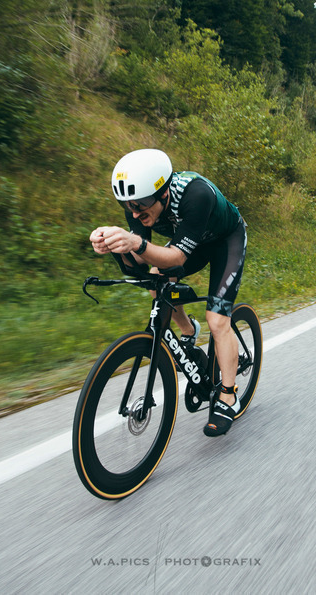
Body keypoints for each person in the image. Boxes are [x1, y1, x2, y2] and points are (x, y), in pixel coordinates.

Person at [90, 148, 247, 436]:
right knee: (154, 280)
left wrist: (134, 243)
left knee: (217, 319)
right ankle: (188, 331)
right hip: (192, 243)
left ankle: (228, 394)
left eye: (140, 205)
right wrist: (114, 245)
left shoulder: (196, 195)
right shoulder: (140, 205)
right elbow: (140, 261)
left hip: (226, 239)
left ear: (163, 194)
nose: (135, 213)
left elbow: (175, 258)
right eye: (128, 206)